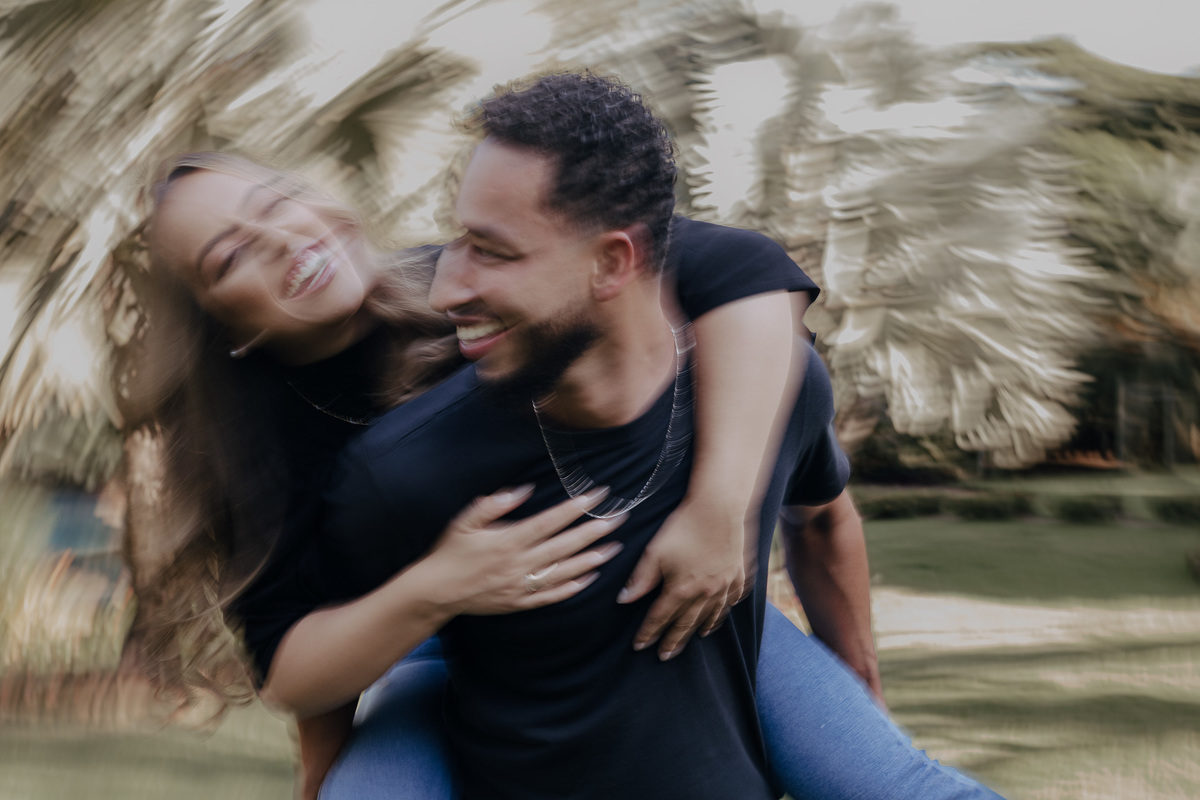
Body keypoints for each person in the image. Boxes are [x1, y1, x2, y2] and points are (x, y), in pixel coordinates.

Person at [194, 73, 1004, 799]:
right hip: (428, 640)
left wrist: (723, 506)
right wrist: (423, 611)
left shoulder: (498, 273)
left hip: (682, 584)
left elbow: (747, 268)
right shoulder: (294, 451)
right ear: (222, 326)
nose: (453, 289)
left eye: (275, 202)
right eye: (227, 257)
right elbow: (304, 656)